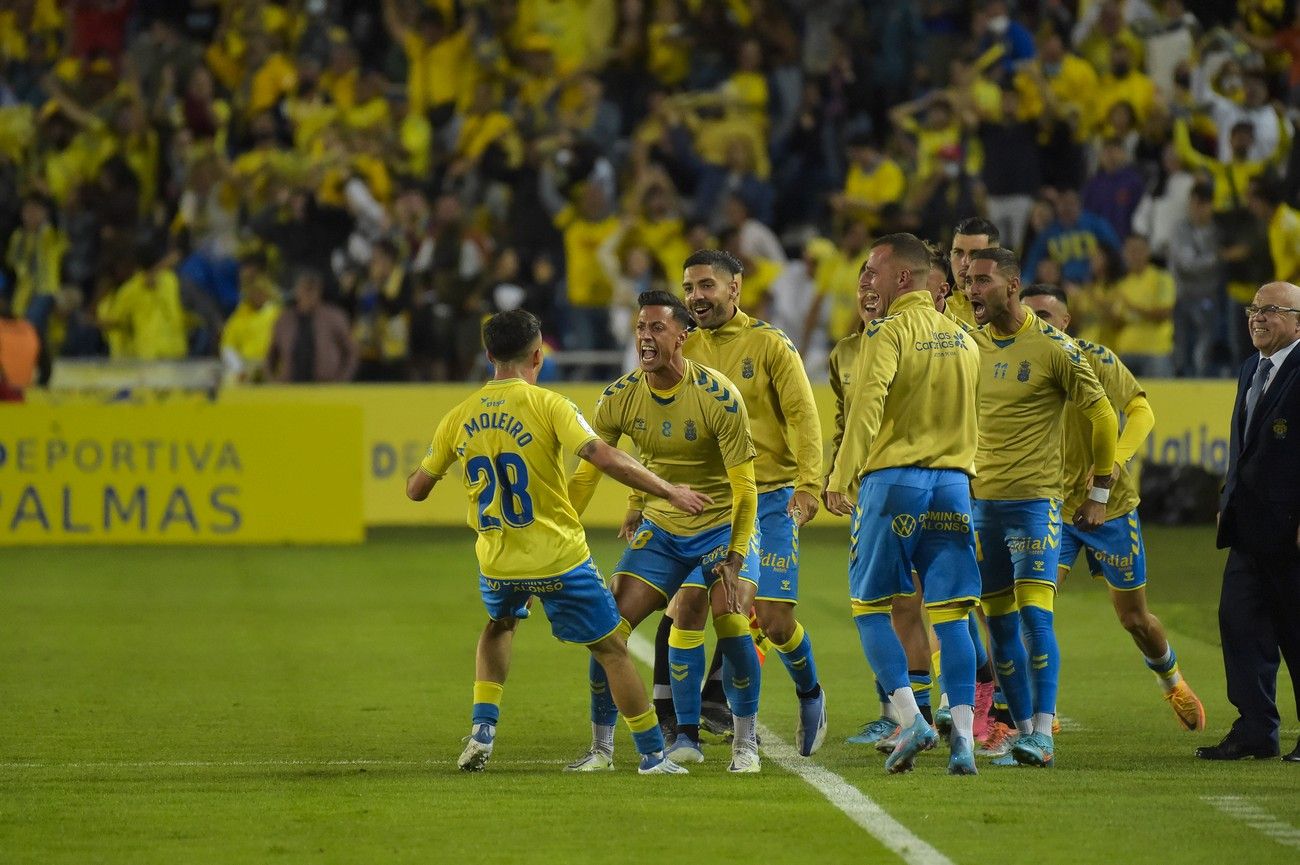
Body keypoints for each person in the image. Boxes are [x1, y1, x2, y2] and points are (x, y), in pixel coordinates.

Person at [406, 309, 707, 775]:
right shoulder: (551, 406)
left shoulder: (457, 417)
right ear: (538, 354)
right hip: (557, 556)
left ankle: (483, 730)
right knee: (612, 650)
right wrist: (668, 490)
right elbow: (601, 455)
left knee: (500, 625)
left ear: (488, 355)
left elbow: (416, 489)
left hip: (498, 560)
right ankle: (651, 756)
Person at [566, 289, 765, 773]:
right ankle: (601, 749)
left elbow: (746, 489)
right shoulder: (618, 398)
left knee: (731, 619)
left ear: (683, 336)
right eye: (640, 328)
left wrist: (737, 555)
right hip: (664, 529)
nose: (645, 338)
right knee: (606, 628)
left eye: (656, 328)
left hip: (720, 527)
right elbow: (587, 476)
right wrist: (555, 537)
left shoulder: (719, 396)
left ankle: (745, 745)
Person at [647, 249, 825, 758]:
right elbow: (664, 427)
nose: (696, 297)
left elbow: (803, 415)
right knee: (687, 608)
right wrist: (652, 494)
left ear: (735, 287)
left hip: (769, 497)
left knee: (769, 618)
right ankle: (685, 733)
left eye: (707, 285)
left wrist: (810, 484)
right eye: (689, 288)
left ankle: (810, 690)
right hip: (707, 502)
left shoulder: (769, 344)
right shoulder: (683, 348)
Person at [824, 232, 983, 775]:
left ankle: (910, 718)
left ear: (904, 278)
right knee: (952, 615)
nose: (866, 280)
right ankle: (963, 739)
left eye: (873, 270)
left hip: (894, 483)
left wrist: (842, 477)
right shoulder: (964, 340)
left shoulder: (888, 332)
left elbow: (867, 407)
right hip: (955, 486)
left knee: (870, 606)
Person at [1021, 285, 1206, 732]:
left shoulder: (1096, 360)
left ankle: (1171, 679)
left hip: (1112, 508)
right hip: (1051, 508)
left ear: (1066, 321)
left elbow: (1140, 411)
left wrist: (1113, 464)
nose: (1038, 322)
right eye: (1030, 315)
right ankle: (1040, 705)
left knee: (1134, 618)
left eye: (1047, 314)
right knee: (1031, 606)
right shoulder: (1017, 366)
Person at [965, 247, 1119, 767]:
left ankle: (1045, 734)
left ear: (1011, 286)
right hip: (981, 506)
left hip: (1034, 504)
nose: (972, 290)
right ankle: (1024, 732)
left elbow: (1103, 417)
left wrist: (1098, 492)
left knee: (1035, 617)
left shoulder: (1055, 348)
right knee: (1000, 625)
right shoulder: (970, 346)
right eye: (968, 281)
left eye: (982, 281)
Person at [1198, 282, 1300, 763]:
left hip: (1291, 529)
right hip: (1248, 528)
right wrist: (1229, 496)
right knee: (1239, 624)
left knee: (1296, 630)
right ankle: (1256, 729)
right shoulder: (1250, 369)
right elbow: (1243, 448)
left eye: (1272, 310)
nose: (1258, 317)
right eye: (1253, 309)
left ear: (1298, 321)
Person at [267, 269, 358, 383]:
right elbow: (271, 356)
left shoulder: (334, 317)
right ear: (296, 290)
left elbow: (351, 353)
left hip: (325, 386)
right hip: (290, 386)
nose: (308, 294)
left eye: (312, 289)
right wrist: (273, 381)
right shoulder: (284, 320)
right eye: (305, 288)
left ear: (320, 291)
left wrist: (341, 380)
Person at [947, 217, 999, 328]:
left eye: (975, 254)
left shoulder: (1015, 314)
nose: (964, 262)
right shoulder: (938, 313)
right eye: (958, 253)